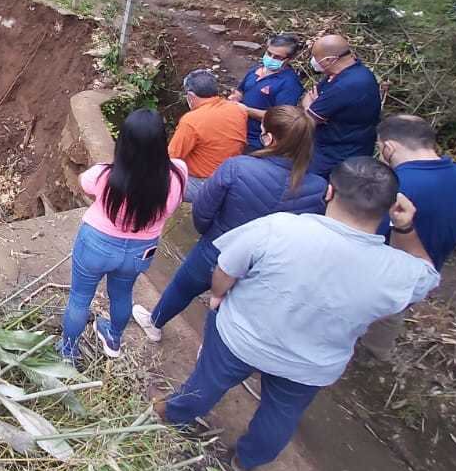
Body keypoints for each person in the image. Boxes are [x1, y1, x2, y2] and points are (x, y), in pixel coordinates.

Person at [156, 157, 438, 471]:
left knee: (205, 383)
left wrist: (219, 295)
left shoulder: (280, 227)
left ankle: (174, 414)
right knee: (280, 416)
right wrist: (405, 228)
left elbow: (226, 267)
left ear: (329, 192)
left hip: (243, 336)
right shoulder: (394, 269)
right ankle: (245, 460)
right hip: (310, 364)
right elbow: (426, 273)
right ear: (389, 209)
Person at [133, 105, 327, 342]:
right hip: (262, 267)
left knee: (183, 287)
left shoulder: (237, 167)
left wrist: (210, 236)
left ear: (270, 138)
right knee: (230, 307)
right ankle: (210, 350)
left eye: (263, 130)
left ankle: (155, 324)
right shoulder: (317, 188)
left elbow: (203, 209)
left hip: (218, 248)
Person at [60, 108, 187, 363]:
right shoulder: (177, 173)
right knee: (122, 294)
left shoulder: (106, 175)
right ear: (162, 140)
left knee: (80, 298)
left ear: (124, 142)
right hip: (140, 250)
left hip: (96, 245)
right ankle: (113, 338)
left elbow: (84, 182)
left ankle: (68, 352)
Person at [360, 114, 456, 360]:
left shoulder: (393, 184)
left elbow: (365, 232)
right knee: (390, 317)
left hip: (377, 274)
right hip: (421, 276)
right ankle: (375, 354)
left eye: (379, 148)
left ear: (388, 147)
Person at [302, 34, 381, 178]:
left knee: (315, 186)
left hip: (337, 154)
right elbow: (310, 94)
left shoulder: (347, 85)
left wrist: (311, 106)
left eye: (315, 57)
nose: (313, 61)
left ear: (330, 60)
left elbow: (309, 119)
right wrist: (312, 104)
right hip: (330, 146)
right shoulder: (346, 72)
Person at [168, 69, 247, 203]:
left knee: (151, 177)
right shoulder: (238, 110)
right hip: (232, 176)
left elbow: (171, 158)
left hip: (204, 184)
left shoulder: (191, 121)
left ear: (191, 96)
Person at [229, 34, 305, 152]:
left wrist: (247, 110)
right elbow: (241, 90)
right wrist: (235, 97)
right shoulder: (256, 69)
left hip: (256, 139)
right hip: (237, 128)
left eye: (277, 57)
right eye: (269, 53)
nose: (270, 58)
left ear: (289, 59)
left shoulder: (290, 85)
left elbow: (280, 117)